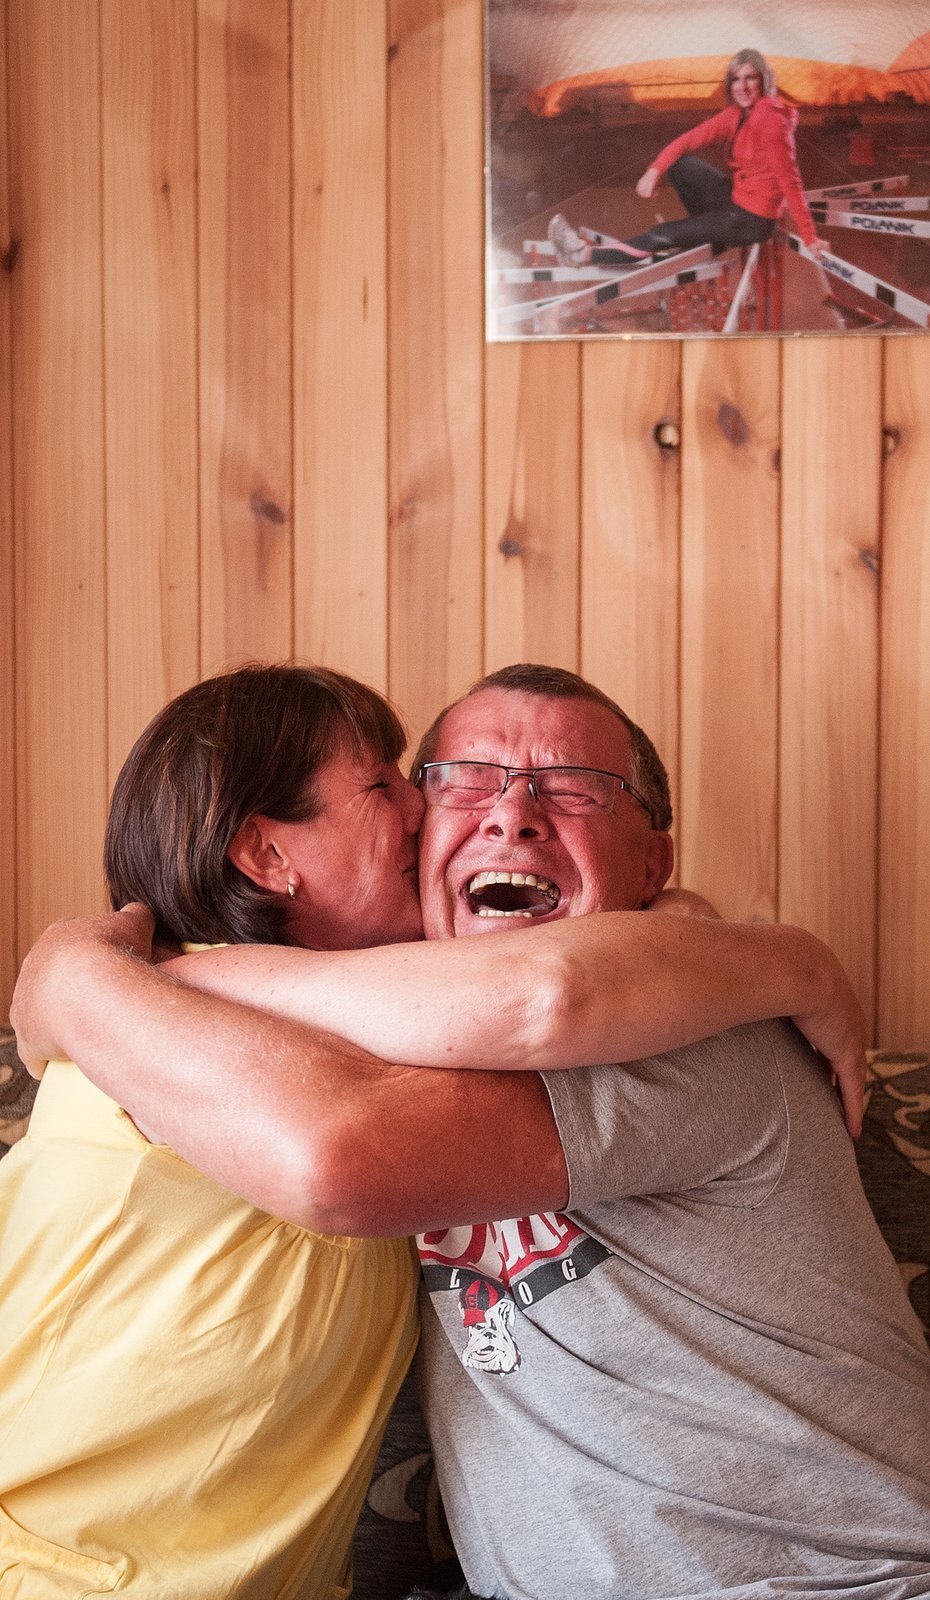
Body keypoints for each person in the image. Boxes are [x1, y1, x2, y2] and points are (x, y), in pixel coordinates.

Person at [11, 664, 917, 1598]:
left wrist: (88, 975)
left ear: (654, 863)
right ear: (270, 856)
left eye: (575, 788)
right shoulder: (284, 1051)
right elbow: (449, 1053)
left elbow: (537, 1005)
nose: (510, 815)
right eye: (456, 781)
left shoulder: (690, 1028)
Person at [548, 49, 829, 271]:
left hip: (752, 220)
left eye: (750, 78)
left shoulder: (769, 119)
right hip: (736, 201)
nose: (742, 87)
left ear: (763, 82)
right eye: (736, 79)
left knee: (663, 233)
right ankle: (709, 237)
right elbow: (689, 139)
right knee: (682, 165)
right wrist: (654, 171)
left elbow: (789, 179)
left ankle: (578, 254)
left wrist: (810, 237)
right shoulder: (737, 114)